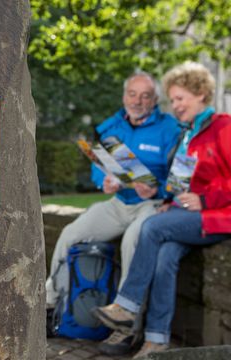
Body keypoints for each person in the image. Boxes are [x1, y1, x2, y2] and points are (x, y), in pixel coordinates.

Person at [93, 61, 231, 359]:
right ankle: (156, 340)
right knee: (165, 256)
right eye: (173, 99)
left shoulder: (224, 127)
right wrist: (168, 201)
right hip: (190, 215)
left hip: (218, 216)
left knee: (150, 228)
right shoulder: (187, 134)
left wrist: (205, 200)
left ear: (202, 94)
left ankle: (126, 306)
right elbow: (181, 186)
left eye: (181, 98)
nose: (176, 106)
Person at [46, 72, 180, 354]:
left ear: (155, 100)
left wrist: (158, 191)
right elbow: (100, 164)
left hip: (151, 205)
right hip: (118, 202)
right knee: (71, 233)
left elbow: (180, 175)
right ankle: (51, 303)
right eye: (133, 94)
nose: (138, 101)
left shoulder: (170, 128)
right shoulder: (112, 125)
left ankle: (126, 327)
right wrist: (103, 180)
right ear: (124, 96)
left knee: (135, 238)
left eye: (145, 95)